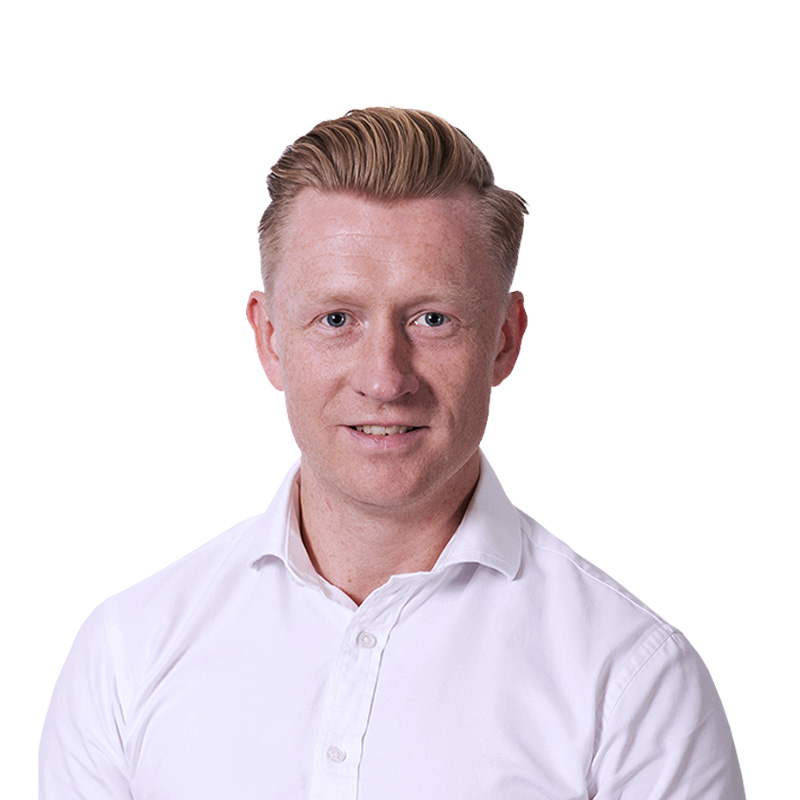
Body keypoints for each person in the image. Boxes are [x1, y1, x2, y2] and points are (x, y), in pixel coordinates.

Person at [40, 108, 745, 799]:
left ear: (504, 340)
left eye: (433, 319)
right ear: (270, 338)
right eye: (336, 319)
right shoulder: (126, 655)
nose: (384, 379)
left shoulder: (633, 682)